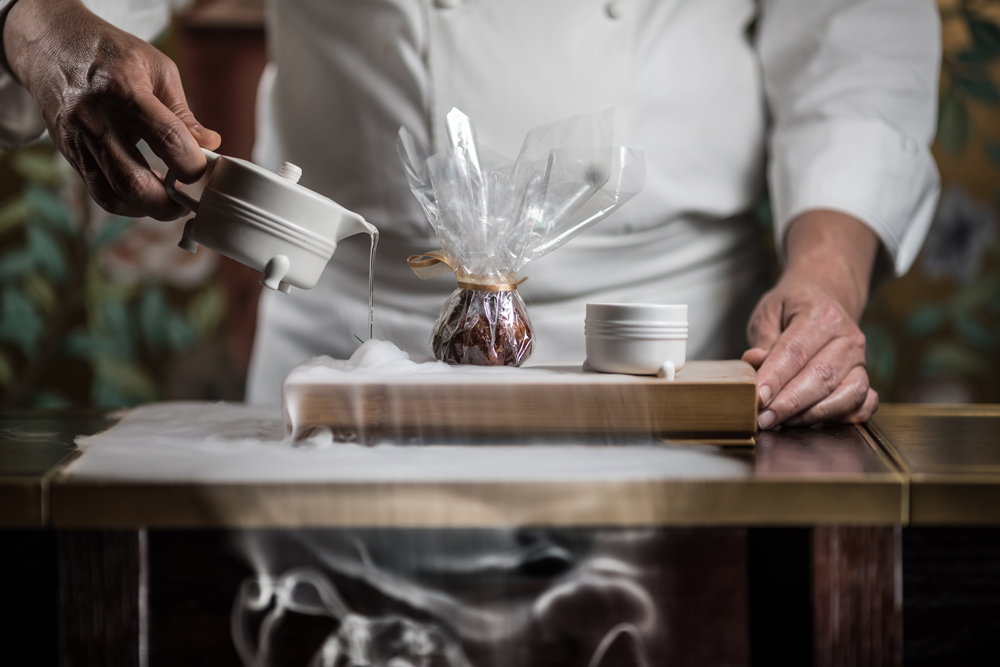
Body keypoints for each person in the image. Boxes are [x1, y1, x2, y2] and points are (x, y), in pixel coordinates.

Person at [0, 0, 940, 429]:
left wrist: (822, 278)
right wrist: (37, 24)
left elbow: (854, 41)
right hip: (353, 337)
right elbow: (51, 11)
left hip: (684, 347)